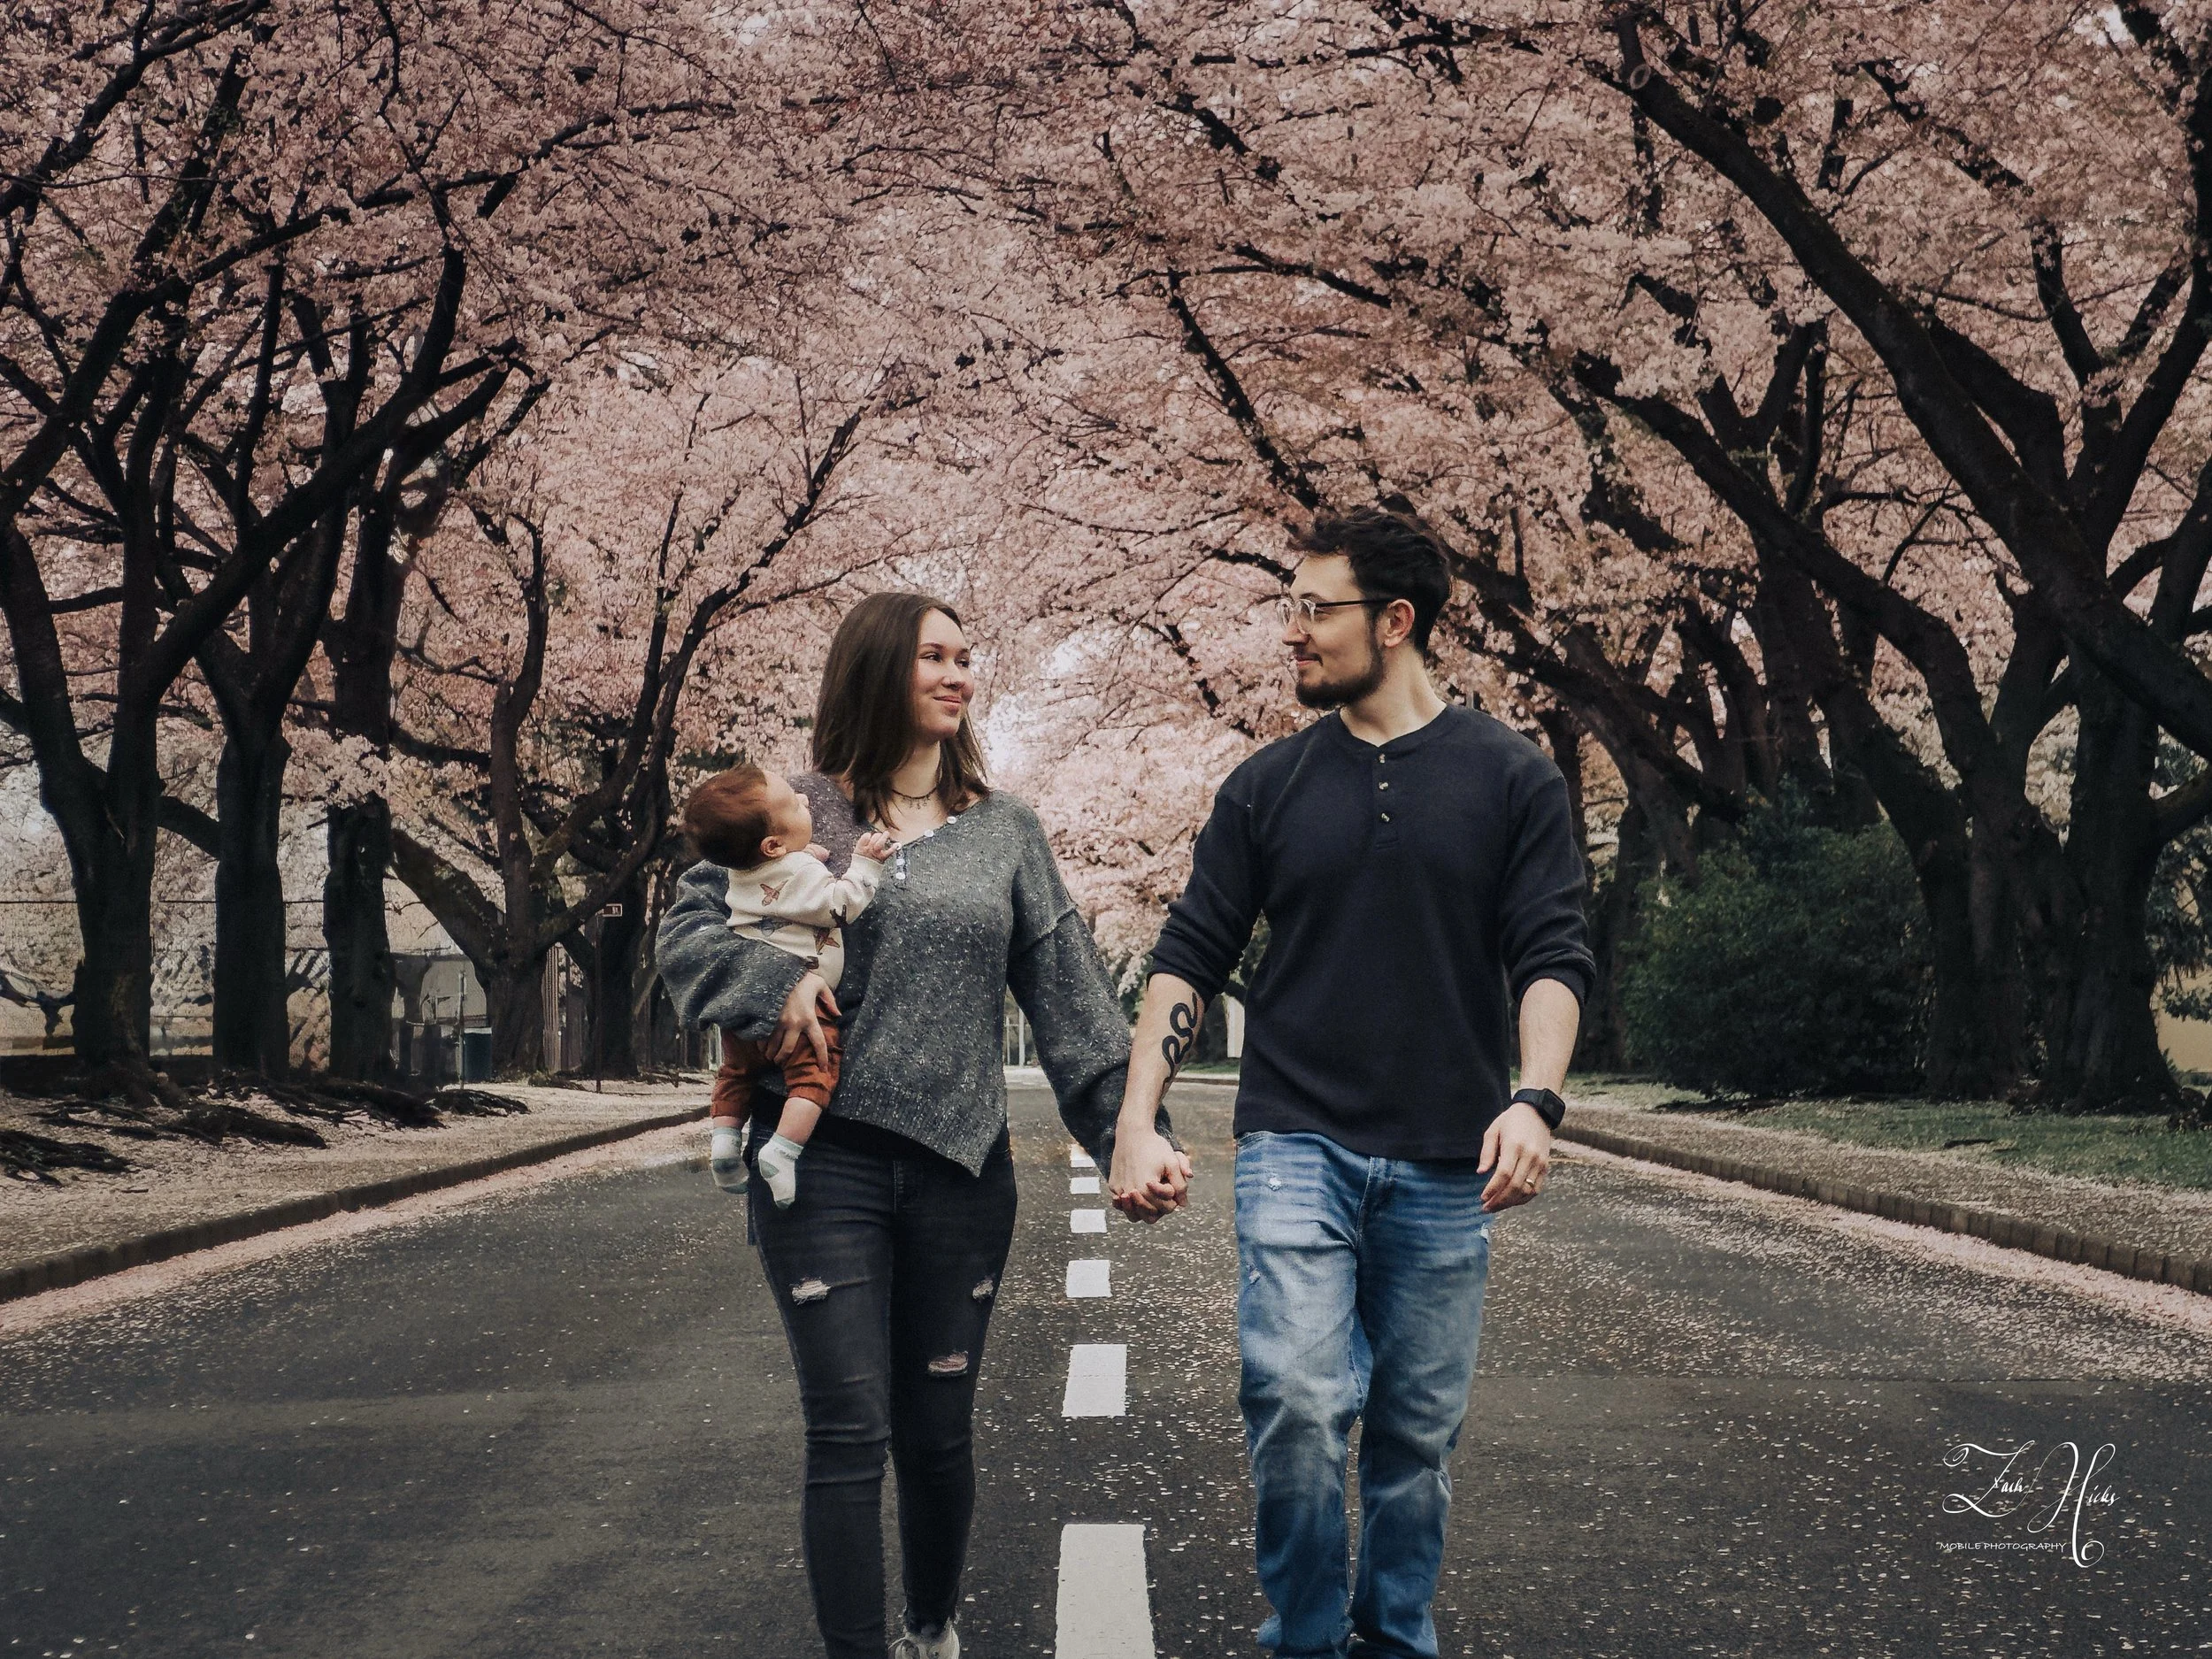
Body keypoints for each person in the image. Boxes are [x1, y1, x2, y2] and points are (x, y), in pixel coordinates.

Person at [1107, 505, 1594, 1659]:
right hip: (1295, 1141)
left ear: (1396, 620)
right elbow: (1187, 953)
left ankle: (1396, 1634)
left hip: (1445, 1160)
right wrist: (1136, 1118)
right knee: (1297, 1397)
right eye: (1290, 608)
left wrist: (1536, 1096)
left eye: (1314, 609)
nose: (1293, 633)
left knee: (1413, 1439)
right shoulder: (1266, 787)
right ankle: (1308, 1641)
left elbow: (1552, 955)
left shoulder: (1513, 779)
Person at [655, 589, 1179, 1659]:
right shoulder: (792, 814)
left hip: (960, 1169)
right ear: (878, 670)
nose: (957, 674)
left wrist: (1132, 1131)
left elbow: (1073, 1000)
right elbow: (686, 935)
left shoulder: (1006, 832)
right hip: (819, 1162)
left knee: (936, 1437)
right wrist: (771, 985)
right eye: (932, 656)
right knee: (848, 1429)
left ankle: (930, 1632)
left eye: (965, 657)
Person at [678, 762, 896, 1206]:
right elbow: (839, 905)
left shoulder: (742, 873)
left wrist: (804, 856)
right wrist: (864, 865)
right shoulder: (798, 872)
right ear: (773, 843)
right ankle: (783, 1151)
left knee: (736, 1073)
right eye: (794, 803)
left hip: (744, 1009)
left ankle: (723, 1145)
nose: (804, 798)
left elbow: (780, 879)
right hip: (805, 1012)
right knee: (814, 1078)